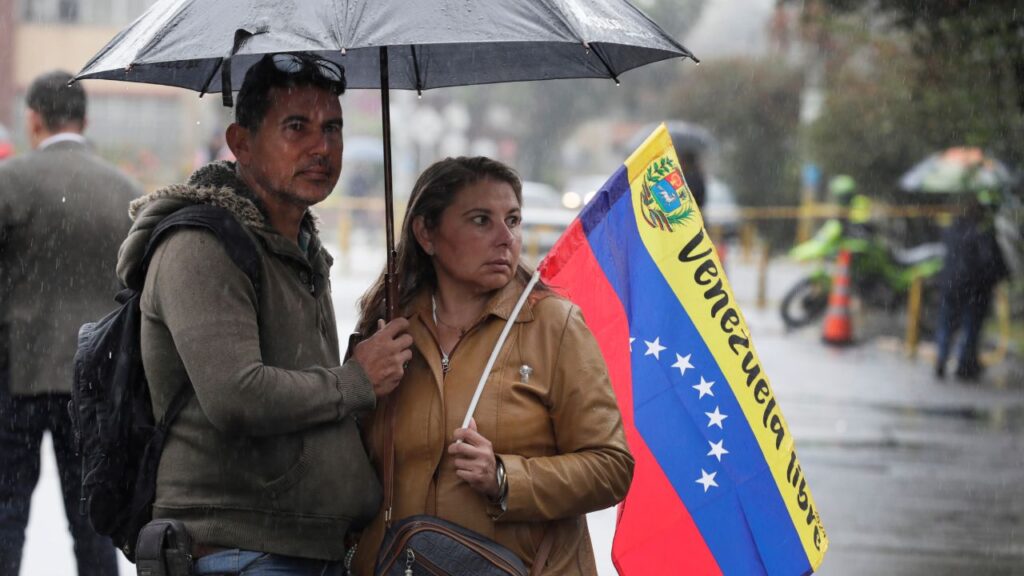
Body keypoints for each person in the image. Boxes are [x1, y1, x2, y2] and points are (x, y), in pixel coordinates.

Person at [115, 53, 412, 575]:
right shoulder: (203, 245)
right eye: (296, 127)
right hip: (238, 549)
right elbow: (237, 396)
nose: (322, 147)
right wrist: (356, 379)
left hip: (300, 548)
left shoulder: (297, 246)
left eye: (333, 128)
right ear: (241, 143)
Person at [351, 157, 635, 574]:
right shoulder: (389, 331)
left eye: (514, 220)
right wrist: (356, 381)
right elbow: (350, 471)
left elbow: (611, 467)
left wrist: (506, 478)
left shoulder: (554, 325)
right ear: (426, 233)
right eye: (481, 220)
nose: (507, 238)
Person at [0, 70, 141, 575]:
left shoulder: (10, 183)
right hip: (94, 385)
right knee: (90, 520)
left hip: (17, 376)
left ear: (33, 119)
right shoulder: (125, 192)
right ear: (85, 118)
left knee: (6, 511)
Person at [935, 194, 1009, 380]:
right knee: (970, 326)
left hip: (950, 284)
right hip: (973, 288)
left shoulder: (952, 229)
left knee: (946, 324)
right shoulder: (982, 233)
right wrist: (997, 276)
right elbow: (990, 261)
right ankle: (964, 364)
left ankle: (942, 357)